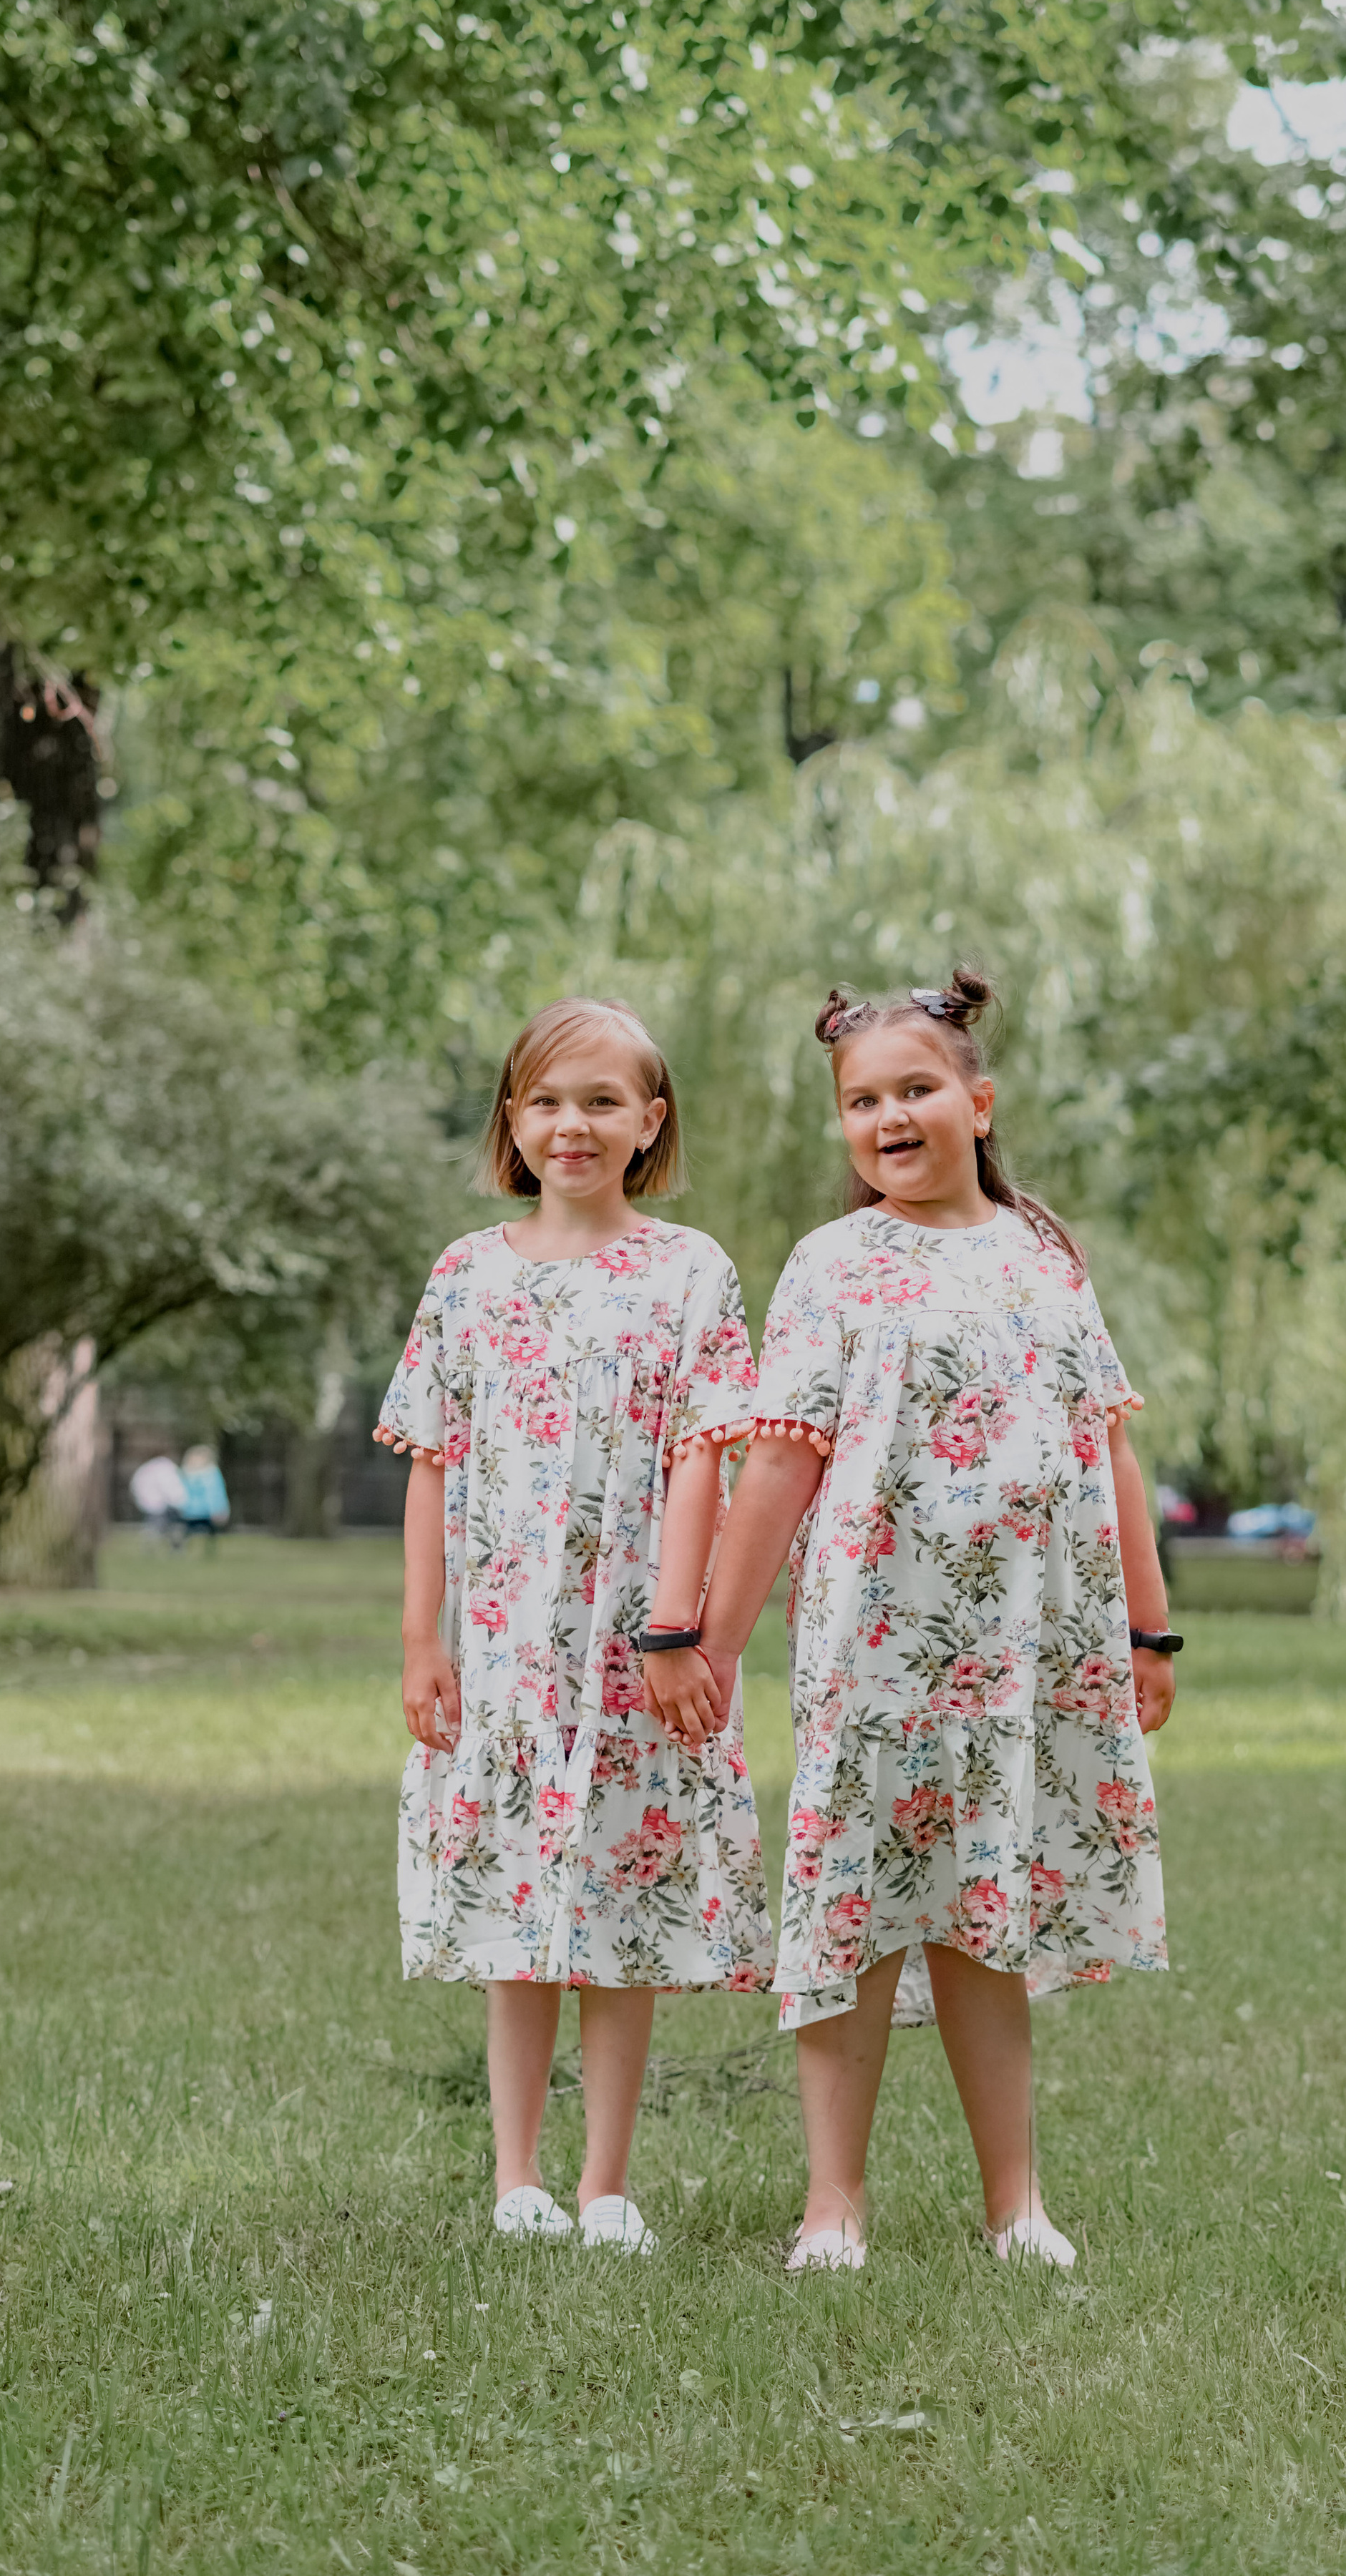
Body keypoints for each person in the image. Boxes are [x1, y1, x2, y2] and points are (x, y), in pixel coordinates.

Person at [694, 969, 1176, 2273]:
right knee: (854, 1907)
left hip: (1024, 1653)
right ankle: (832, 2204)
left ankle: (1016, 2205)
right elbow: (779, 1461)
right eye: (862, 1101)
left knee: (985, 1913)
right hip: (878, 1648)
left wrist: (1147, 1630)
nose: (890, 1117)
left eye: (915, 1089)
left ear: (980, 1100)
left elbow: (1108, 1445)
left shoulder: (1043, 1257)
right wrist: (714, 1640)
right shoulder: (834, 1265)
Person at [374, 996, 772, 2256]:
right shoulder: (468, 1275)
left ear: (650, 1121)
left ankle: (605, 2185)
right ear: (513, 1119)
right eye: (548, 1101)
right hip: (505, 1646)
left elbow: (706, 1454)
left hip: (631, 1642)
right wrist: (425, 1641)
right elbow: (431, 1462)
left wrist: (675, 1629)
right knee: (517, 1908)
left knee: (619, 1904)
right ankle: (517, 2179)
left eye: (603, 1102)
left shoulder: (689, 1271)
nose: (573, 1125)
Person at [129, 1451, 187, 1547]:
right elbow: (169, 1486)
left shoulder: (146, 1468)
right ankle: (170, 1546)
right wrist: (179, 1501)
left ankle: (150, 1546)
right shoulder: (165, 1467)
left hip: (149, 1503)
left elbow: (135, 1485)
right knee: (169, 1526)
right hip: (161, 1504)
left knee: (153, 1526)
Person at [177, 1445, 230, 1545]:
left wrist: (218, 1509)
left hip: (206, 1513)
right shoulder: (185, 1474)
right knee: (188, 1533)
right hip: (190, 1512)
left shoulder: (211, 1474)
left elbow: (216, 1494)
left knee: (209, 1535)